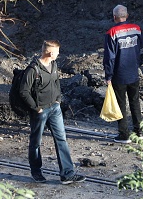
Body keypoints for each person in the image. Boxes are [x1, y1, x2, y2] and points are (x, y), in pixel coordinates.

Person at [19, 40, 85, 185]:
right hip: (40, 111)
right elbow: (23, 92)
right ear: (50, 53)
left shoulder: (54, 65)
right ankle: (36, 172)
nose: (59, 54)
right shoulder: (33, 69)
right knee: (36, 142)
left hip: (55, 108)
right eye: (57, 52)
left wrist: (58, 100)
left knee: (61, 139)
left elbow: (56, 83)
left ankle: (67, 174)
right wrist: (36, 108)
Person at [103, 4, 143, 144]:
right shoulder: (136, 29)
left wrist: (108, 75)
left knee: (120, 104)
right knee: (135, 102)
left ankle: (124, 134)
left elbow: (110, 57)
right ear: (127, 15)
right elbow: (141, 45)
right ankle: (139, 131)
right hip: (133, 72)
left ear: (114, 17)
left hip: (119, 75)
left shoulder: (112, 33)